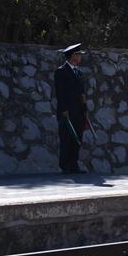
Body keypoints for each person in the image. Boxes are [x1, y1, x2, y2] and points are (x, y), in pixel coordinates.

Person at [54, 43, 88, 174]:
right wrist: (64, 111)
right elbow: (60, 93)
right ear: (73, 56)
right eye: (78, 54)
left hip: (78, 111)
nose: (80, 57)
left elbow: (82, 94)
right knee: (66, 138)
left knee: (77, 138)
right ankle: (65, 165)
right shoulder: (61, 71)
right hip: (67, 112)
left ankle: (74, 164)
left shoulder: (79, 72)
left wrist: (85, 111)